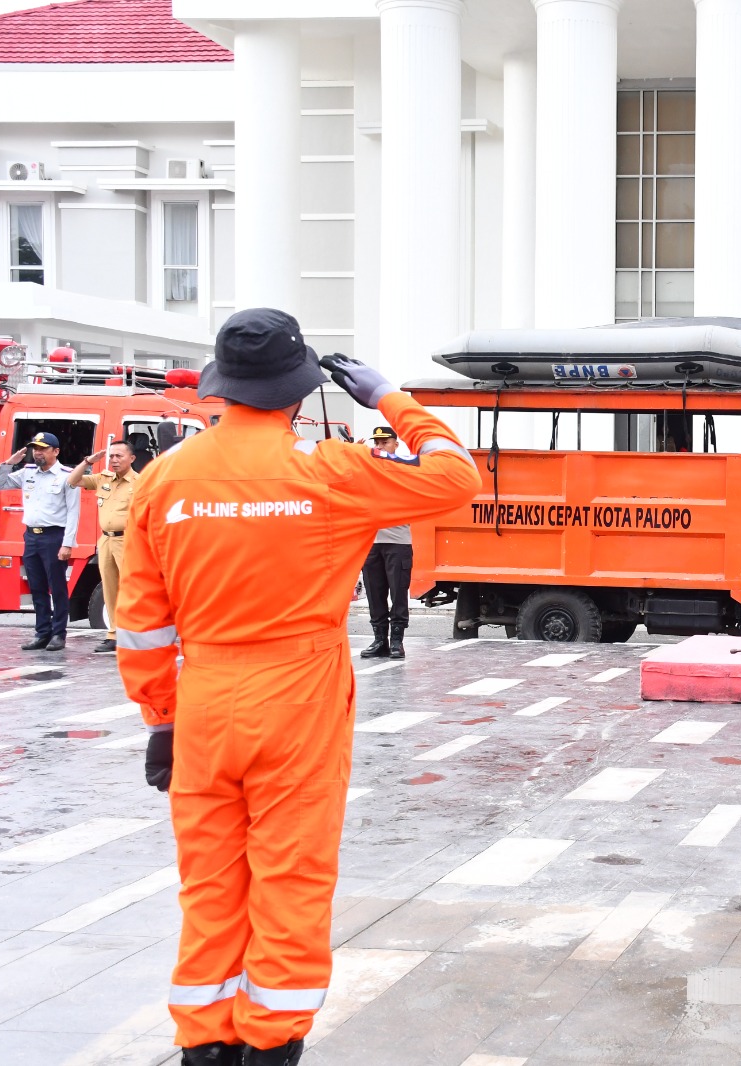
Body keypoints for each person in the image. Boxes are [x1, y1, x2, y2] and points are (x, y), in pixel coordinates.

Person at [115, 308, 479, 1065]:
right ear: (300, 390)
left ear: (221, 386)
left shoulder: (164, 478)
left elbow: (141, 622)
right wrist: (390, 398)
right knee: (291, 879)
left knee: (210, 885)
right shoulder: (329, 470)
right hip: (298, 699)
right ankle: (272, 1042)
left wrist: (161, 717)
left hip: (204, 701)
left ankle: (203, 1042)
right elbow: (455, 478)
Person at [0, 432, 80, 651]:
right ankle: (42, 632)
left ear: (56, 451)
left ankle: (58, 634)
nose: (37, 453)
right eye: (35, 449)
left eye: (42, 449)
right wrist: (9, 463)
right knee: (37, 586)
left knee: (57, 587)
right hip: (31, 536)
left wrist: (67, 543)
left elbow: (73, 512)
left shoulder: (67, 476)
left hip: (54, 536)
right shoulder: (27, 472)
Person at [67, 439, 140, 653]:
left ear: (132, 458)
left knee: (132, 590)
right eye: (112, 456)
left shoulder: (140, 482)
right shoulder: (103, 479)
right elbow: (72, 480)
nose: (114, 460)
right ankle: (114, 635)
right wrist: (88, 462)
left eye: (119, 456)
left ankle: (134, 634)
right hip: (106, 540)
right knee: (110, 589)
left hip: (128, 540)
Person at [358, 426, 414, 660]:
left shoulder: (404, 468)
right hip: (371, 542)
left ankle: (397, 641)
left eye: (385, 442)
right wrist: (354, 456)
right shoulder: (367, 469)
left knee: (398, 594)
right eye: (377, 443)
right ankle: (380, 639)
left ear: (395, 445)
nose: (380, 447)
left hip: (397, 542)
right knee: (374, 593)